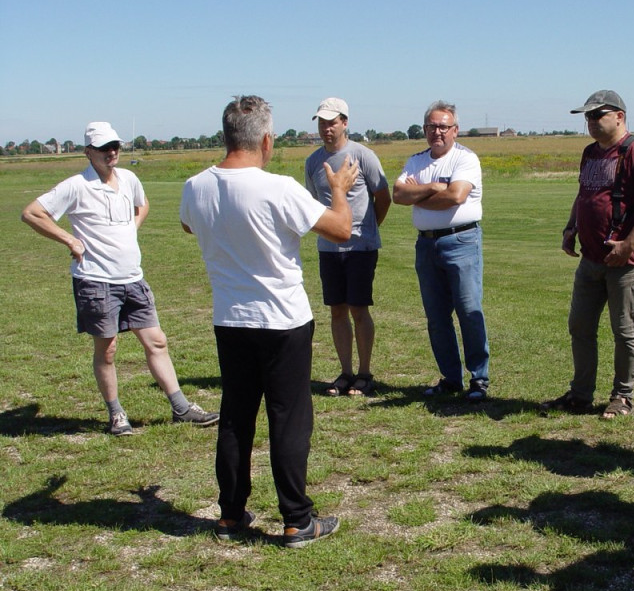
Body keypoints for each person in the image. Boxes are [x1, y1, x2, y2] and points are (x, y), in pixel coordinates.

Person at [180, 96, 357, 548]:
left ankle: (231, 515)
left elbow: (189, 225)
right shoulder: (277, 188)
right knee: (289, 418)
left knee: (236, 418)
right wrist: (340, 188)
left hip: (230, 319)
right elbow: (340, 228)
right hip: (282, 321)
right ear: (265, 139)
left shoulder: (195, 187)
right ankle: (298, 519)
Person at [22, 122, 218, 436]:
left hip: (133, 279)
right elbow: (32, 213)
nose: (111, 152)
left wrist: (131, 228)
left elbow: (143, 205)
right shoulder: (76, 185)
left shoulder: (129, 179)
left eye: (115, 146)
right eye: (103, 147)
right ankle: (116, 415)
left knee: (157, 341)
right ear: (88, 152)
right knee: (108, 349)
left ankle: (181, 408)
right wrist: (70, 241)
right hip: (95, 281)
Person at [542, 90, 634, 419]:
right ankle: (581, 395)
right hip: (591, 258)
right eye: (588, 117)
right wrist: (571, 228)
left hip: (626, 261)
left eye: (598, 115)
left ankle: (622, 396)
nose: (591, 122)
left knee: (624, 330)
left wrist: (629, 244)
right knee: (579, 326)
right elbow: (584, 194)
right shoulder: (590, 153)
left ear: (619, 116)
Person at [392, 101, 490, 401]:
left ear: (455, 130)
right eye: (432, 126)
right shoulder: (416, 161)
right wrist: (435, 187)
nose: (438, 132)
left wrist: (419, 194)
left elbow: (456, 195)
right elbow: (398, 195)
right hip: (426, 244)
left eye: (444, 127)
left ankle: (479, 379)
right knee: (436, 317)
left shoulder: (465, 159)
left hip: (461, 241)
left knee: (469, 311)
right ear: (425, 130)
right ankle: (450, 378)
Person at [305, 97, 391, 397]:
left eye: (332, 122)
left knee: (358, 308)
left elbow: (383, 196)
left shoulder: (363, 156)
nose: (326, 128)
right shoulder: (313, 161)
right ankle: (345, 372)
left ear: (344, 122)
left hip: (360, 248)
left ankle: (365, 373)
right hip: (328, 249)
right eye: (322, 122)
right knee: (337, 310)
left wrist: (368, 231)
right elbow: (314, 204)